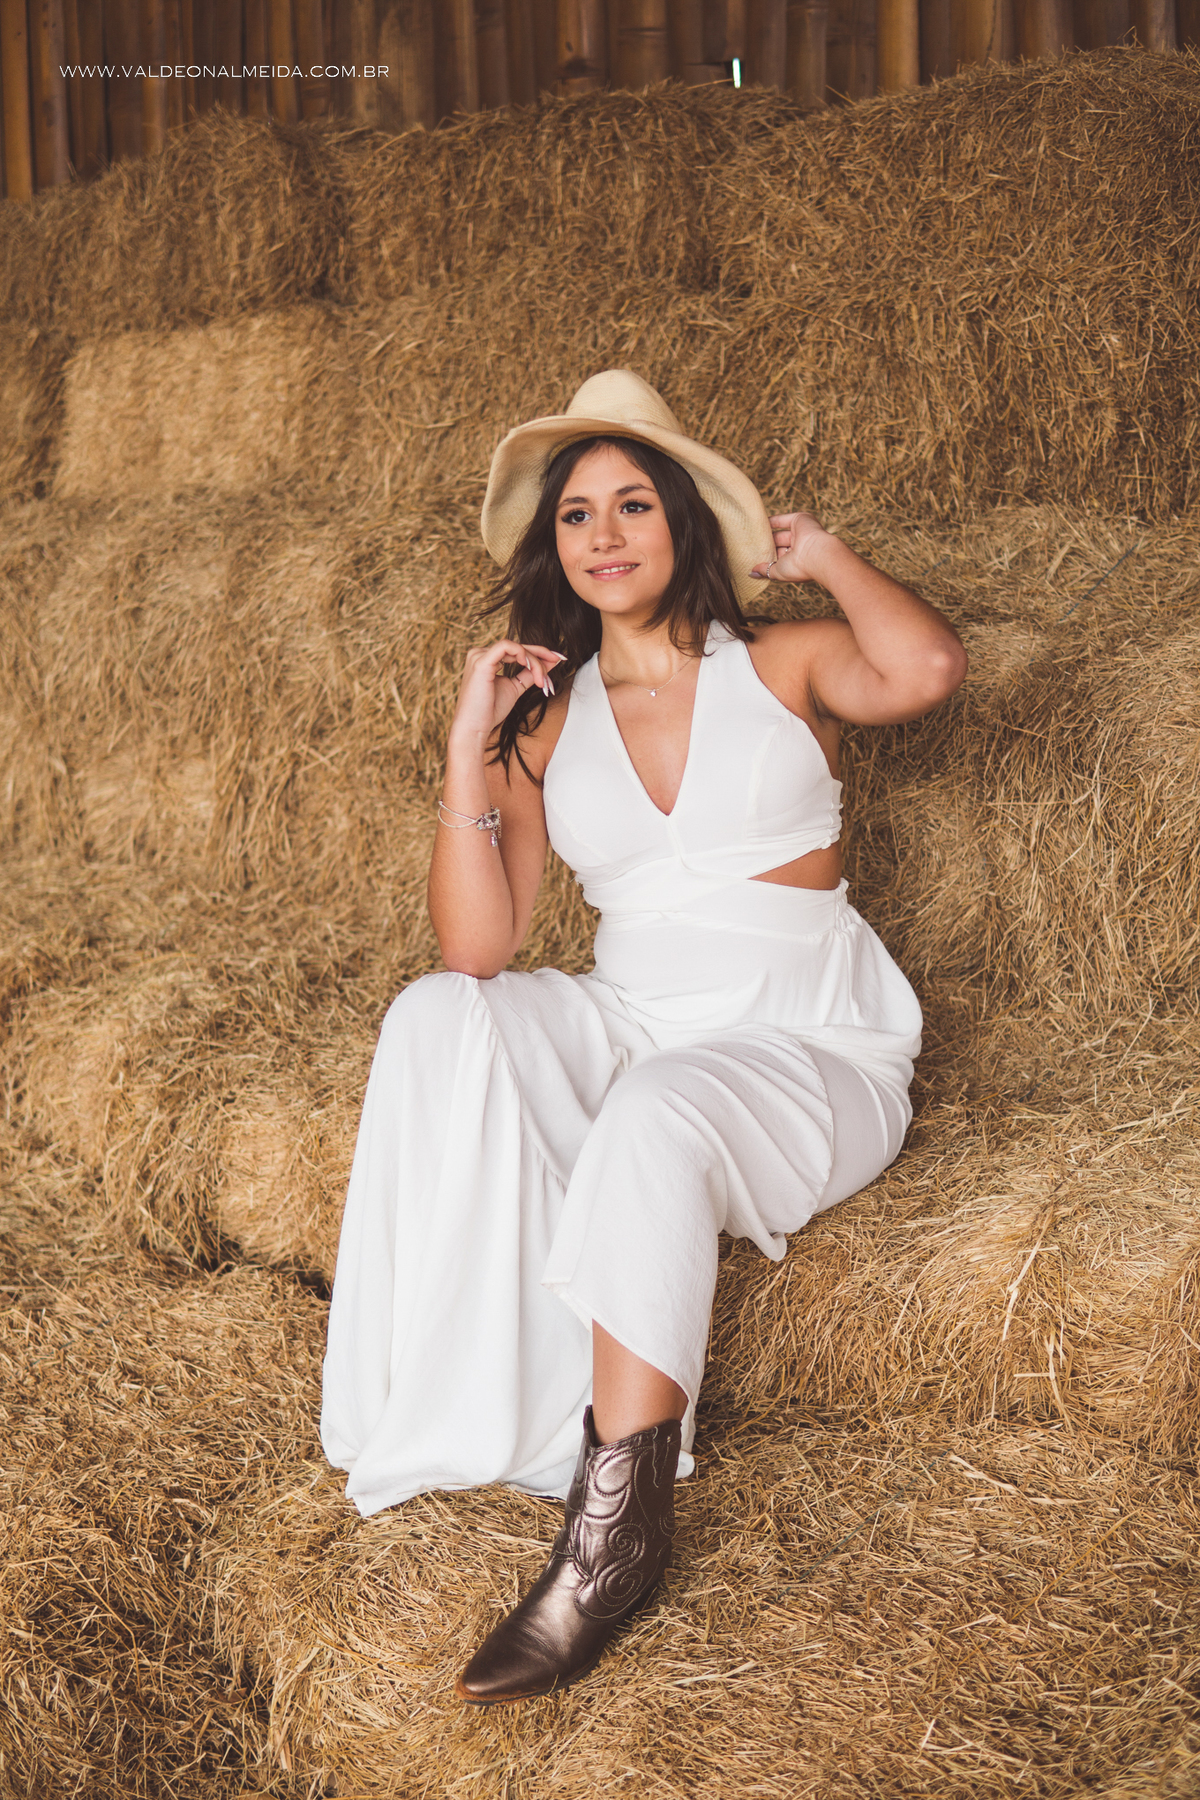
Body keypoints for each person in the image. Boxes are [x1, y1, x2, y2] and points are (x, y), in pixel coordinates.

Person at [320, 370, 967, 1706]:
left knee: (664, 1103)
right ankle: (452, 1390)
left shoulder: (780, 663)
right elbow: (478, 948)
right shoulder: (548, 722)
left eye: (631, 504)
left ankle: (612, 1540)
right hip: (634, 1022)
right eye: (575, 514)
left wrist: (824, 555)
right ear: (552, 545)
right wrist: (469, 749)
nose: (602, 534)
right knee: (436, 1015)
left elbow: (924, 669)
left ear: (682, 521)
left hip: (808, 1042)